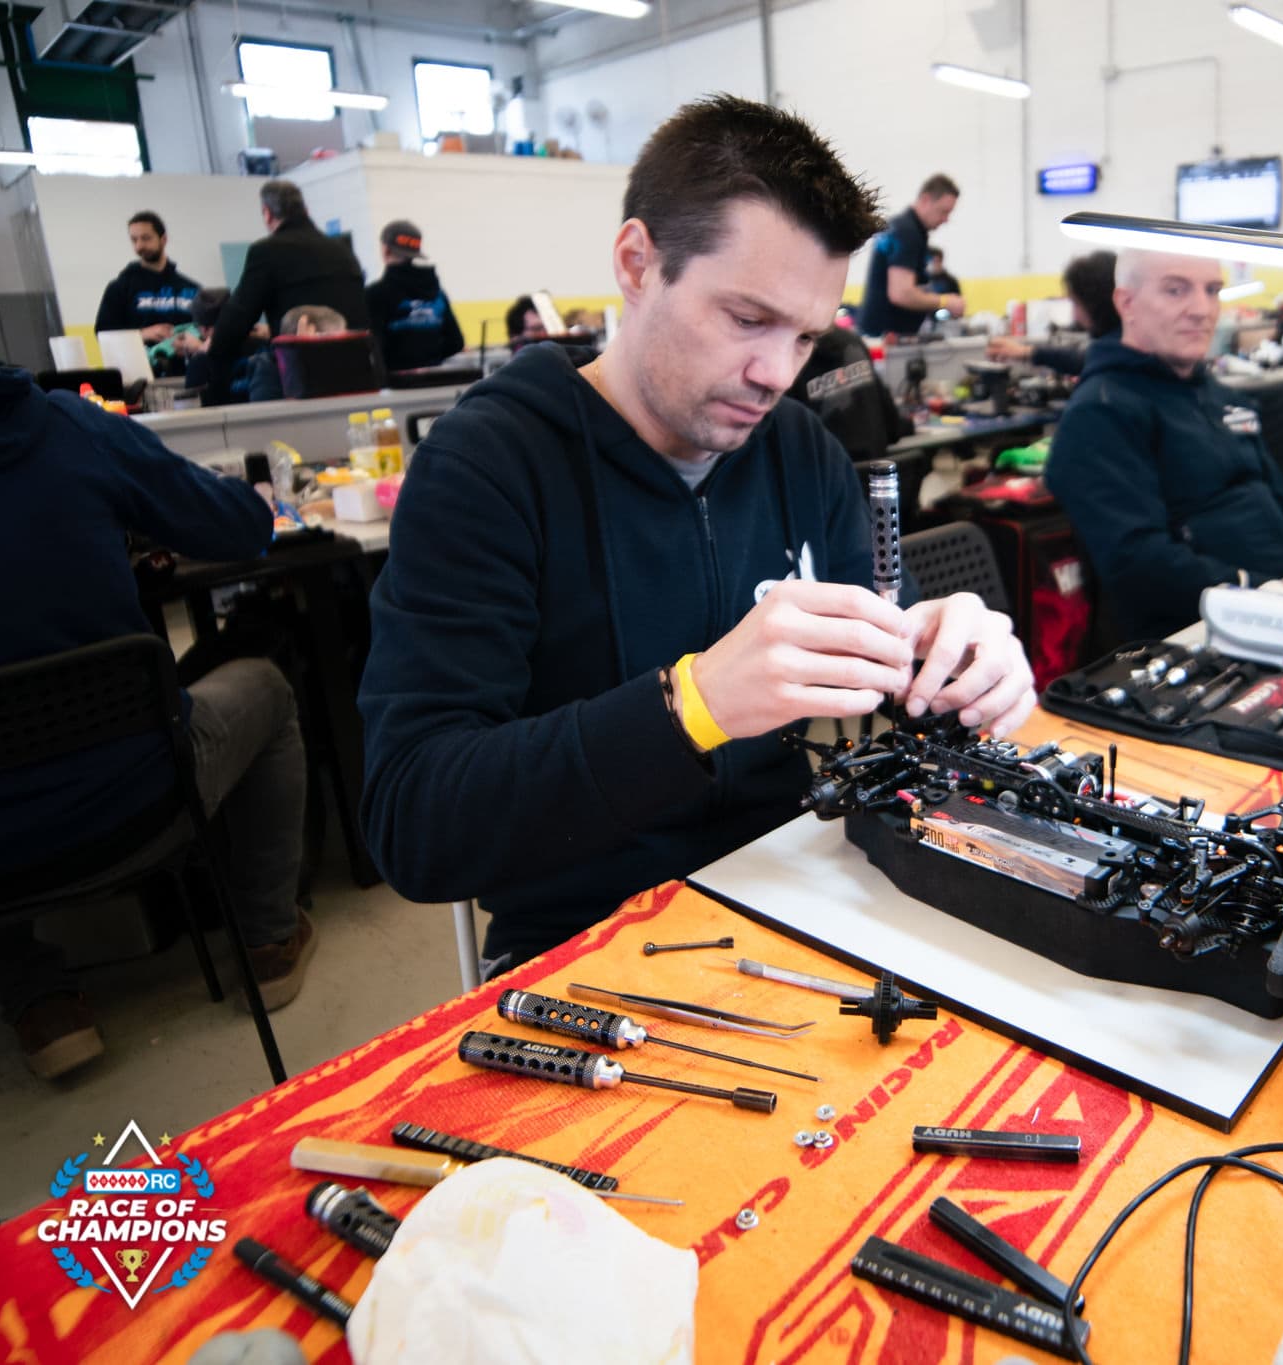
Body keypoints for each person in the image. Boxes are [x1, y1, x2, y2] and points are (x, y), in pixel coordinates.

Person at [358, 96, 1036, 971]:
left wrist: (954, 668)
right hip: (586, 943)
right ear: (637, 263)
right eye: (747, 319)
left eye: (805, 336)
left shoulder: (799, 448)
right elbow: (414, 821)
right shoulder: (489, 466)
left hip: (797, 889)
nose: (775, 373)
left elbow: (888, 672)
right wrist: (693, 705)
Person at [0, 358, 316, 1078]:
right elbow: (239, 527)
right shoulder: (68, 427)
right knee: (266, 687)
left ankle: (41, 1002)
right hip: (140, 799)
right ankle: (268, 940)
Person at [1043, 250, 1283, 641]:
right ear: (1126, 303)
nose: (1202, 310)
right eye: (1176, 290)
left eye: (1212, 291)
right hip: (1207, 636)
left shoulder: (1220, 397)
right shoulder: (1100, 414)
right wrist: (1266, 595)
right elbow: (1142, 564)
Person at [206, 180, 369, 404]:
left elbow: (238, 318)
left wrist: (214, 353)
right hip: (357, 369)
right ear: (306, 210)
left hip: (304, 372)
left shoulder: (266, 251)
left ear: (267, 214)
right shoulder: (342, 250)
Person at [786, 320, 911, 461]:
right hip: (873, 468)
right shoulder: (852, 341)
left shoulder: (790, 355)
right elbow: (892, 425)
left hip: (825, 470)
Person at [856, 173, 963, 336]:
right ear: (926, 199)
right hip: (885, 335)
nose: (946, 219)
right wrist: (945, 301)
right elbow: (901, 293)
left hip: (885, 331)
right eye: (943, 211)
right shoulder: (907, 232)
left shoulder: (908, 229)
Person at [987, 250, 1119, 377]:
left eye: (1076, 304)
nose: (1075, 316)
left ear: (1095, 304)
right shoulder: (1121, 338)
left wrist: (1026, 352)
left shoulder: (1114, 351)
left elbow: (1087, 359)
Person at [364, 220, 465, 372]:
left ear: (385, 250)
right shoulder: (437, 292)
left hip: (395, 382)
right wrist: (430, 359)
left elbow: (374, 347)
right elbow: (456, 343)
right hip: (434, 379)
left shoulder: (375, 294)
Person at [94, 211, 202, 344]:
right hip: (137, 357)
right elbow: (103, 335)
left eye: (146, 238)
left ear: (163, 239)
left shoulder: (191, 289)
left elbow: (207, 333)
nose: (139, 246)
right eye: (134, 240)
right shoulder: (119, 288)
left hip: (184, 357)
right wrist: (142, 334)